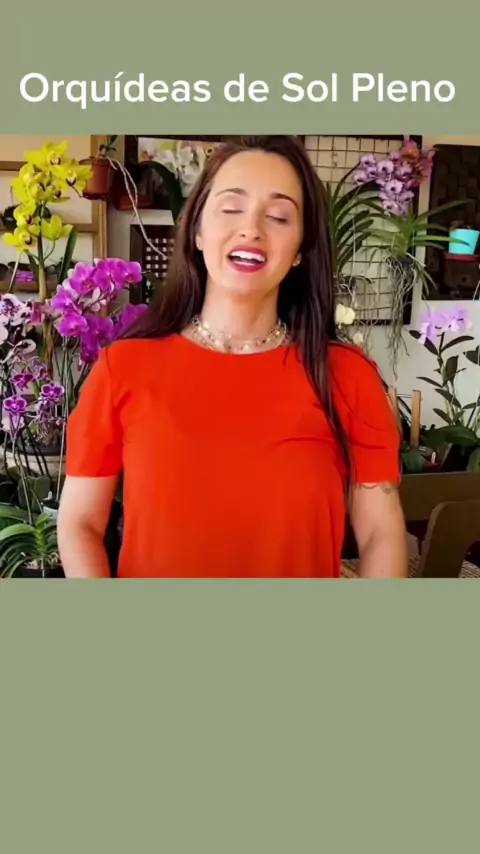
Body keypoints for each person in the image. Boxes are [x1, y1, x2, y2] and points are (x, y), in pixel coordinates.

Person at [57, 135, 408, 578]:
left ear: (300, 250)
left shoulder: (346, 375)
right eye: (231, 207)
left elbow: (380, 533)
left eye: (278, 216)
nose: (252, 229)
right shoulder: (123, 368)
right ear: (197, 231)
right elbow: (80, 524)